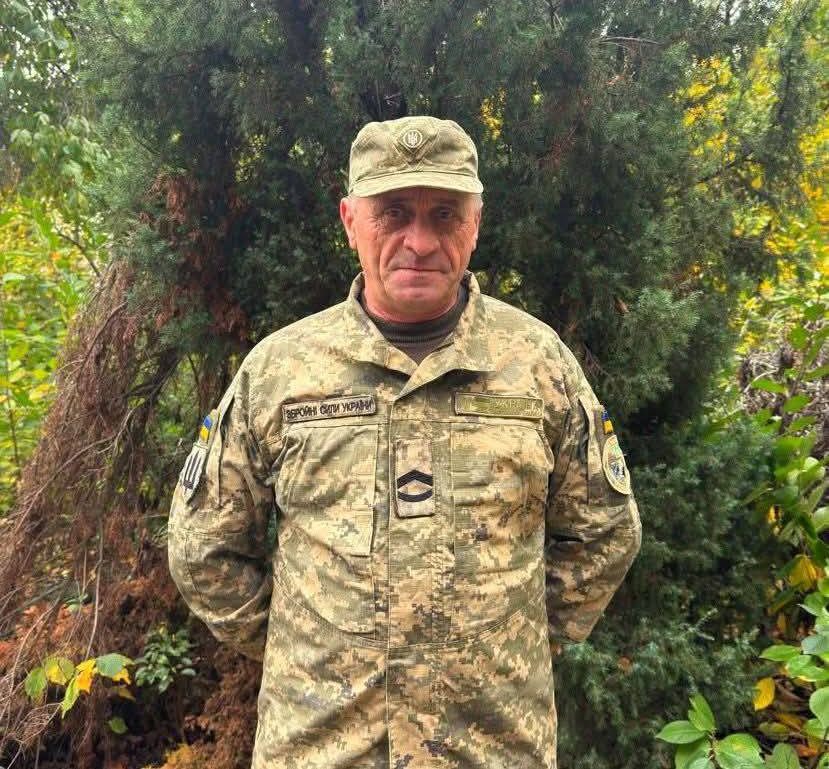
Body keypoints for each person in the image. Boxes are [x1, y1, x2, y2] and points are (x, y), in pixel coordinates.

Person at [168, 115, 642, 768]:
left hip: (492, 749)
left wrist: (510, 639)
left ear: (475, 225)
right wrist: (311, 644)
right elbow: (203, 546)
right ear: (350, 221)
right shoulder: (279, 372)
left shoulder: (537, 364)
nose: (419, 241)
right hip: (324, 748)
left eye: (444, 215)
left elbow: (605, 531)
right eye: (393, 213)